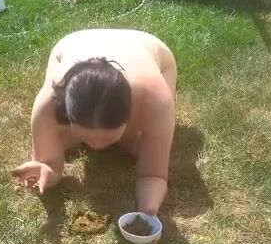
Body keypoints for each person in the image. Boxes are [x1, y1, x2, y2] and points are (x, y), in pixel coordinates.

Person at [12, 28, 177, 216]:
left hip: (147, 46)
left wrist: (148, 211)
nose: (97, 147)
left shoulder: (155, 100)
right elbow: (50, 166)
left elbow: (153, 174)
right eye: (87, 138)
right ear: (67, 113)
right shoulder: (48, 104)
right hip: (73, 43)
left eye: (108, 138)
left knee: (140, 145)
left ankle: (121, 136)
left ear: (131, 113)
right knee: (67, 141)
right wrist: (45, 169)